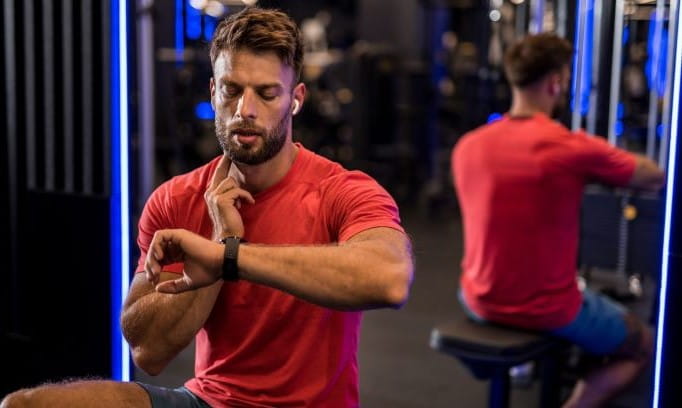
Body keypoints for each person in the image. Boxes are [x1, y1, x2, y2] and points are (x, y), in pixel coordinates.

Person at [2, 7, 413, 408]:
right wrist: (220, 245)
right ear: (213, 92)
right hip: (210, 400)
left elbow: (389, 279)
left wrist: (228, 257)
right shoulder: (176, 198)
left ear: (296, 100)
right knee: (23, 404)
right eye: (232, 90)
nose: (244, 111)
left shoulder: (342, 191)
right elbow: (147, 350)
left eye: (267, 93)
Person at [452, 33, 664, 408]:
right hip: (547, 308)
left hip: (475, 298)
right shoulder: (568, 147)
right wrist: (597, 161)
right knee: (643, 345)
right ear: (557, 81)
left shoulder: (468, 146)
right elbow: (652, 175)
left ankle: (525, 365)